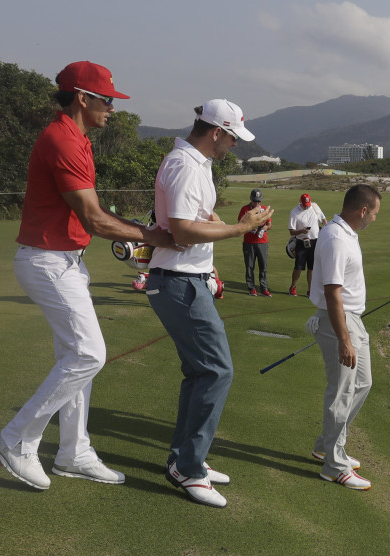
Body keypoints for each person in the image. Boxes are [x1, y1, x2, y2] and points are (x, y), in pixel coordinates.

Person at [0, 61, 178, 490]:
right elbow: (93, 219)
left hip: (66, 260)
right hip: (47, 261)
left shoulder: (78, 138)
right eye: (107, 99)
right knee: (89, 354)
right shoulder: (63, 139)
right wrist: (153, 236)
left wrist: (138, 232)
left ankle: (73, 452)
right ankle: (16, 439)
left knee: (74, 359)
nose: (112, 107)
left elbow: (94, 212)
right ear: (83, 97)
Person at [146, 99, 272, 508]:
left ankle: (185, 459)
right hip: (181, 283)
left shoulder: (197, 164)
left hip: (186, 280)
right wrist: (241, 228)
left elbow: (197, 215)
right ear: (216, 132)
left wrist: (221, 221)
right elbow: (181, 231)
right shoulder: (184, 165)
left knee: (199, 372)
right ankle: (189, 468)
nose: (234, 145)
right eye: (232, 138)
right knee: (217, 371)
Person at [308, 184, 381, 490]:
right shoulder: (337, 238)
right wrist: (344, 340)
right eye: (374, 213)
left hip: (353, 319)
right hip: (340, 321)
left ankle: (327, 445)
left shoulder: (346, 234)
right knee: (341, 392)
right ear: (362, 210)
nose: (374, 219)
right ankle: (334, 466)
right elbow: (332, 293)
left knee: (363, 383)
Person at [288, 193, 327, 296]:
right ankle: (293, 286)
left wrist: (325, 224)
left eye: (308, 204)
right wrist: (301, 231)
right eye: (305, 204)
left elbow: (323, 219)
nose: (307, 206)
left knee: (312, 267)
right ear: (300, 202)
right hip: (302, 242)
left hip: (315, 241)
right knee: (298, 267)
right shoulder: (294, 212)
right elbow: (291, 231)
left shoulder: (314, 206)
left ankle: (310, 290)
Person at [239, 189, 272, 296]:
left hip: (262, 241)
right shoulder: (245, 209)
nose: (257, 204)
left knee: (263, 266)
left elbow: (269, 224)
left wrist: (264, 229)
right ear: (251, 199)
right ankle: (251, 288)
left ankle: (264, 288)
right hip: (249, 242)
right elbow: (240, 224)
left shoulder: (264, 209)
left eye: (258, 201)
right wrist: (250, 228)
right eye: (255, 201)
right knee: (250, 266)